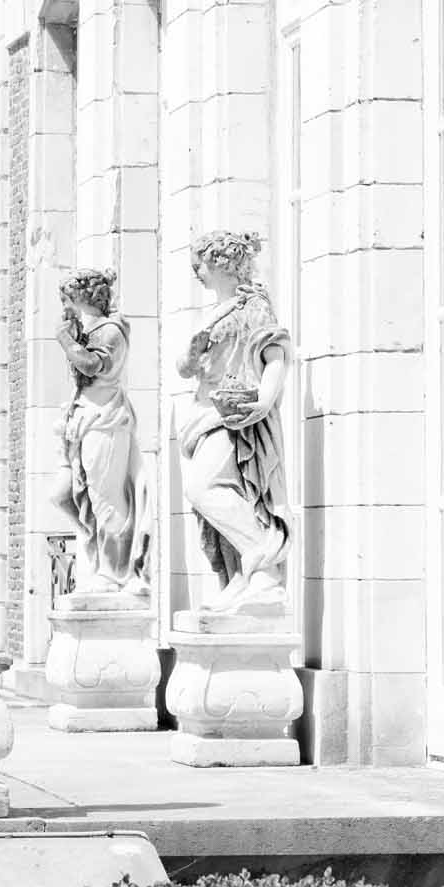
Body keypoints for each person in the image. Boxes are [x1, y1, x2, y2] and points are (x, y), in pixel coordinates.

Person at [176, 229, 290, 611]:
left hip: (233, 414)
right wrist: (192, 356)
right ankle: (241, 577)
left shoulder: (252, 306)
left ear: (223, 263)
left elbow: (275, 358)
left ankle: (265, 564)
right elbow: (185, 368)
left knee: (203, 488)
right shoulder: (212, 312)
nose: (197, 272)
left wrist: (263, 400)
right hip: (204, 414)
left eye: (201, 263)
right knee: (215, 495)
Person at [52, 269, 150, 594]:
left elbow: (92, 366)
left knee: (106, 498)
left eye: (67, 295)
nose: (64, 301)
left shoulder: (110, 331)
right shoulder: (88, 329)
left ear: (83, 295)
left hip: (105, 419)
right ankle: (99, 552)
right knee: (64, 494)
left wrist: (66, 340)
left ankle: (116, 572)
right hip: (84, 419)